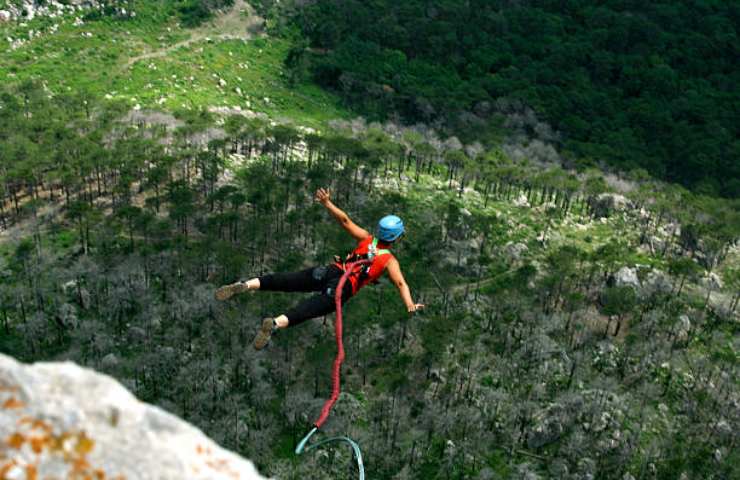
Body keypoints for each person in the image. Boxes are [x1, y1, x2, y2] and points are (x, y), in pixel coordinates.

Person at [215, 187, 424, 349]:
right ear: (397, 237)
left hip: (331, 270)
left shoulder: (367, 239)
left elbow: (345, 220)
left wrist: (327, 203)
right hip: (343, 287)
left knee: (288, 280)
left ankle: (247, 284)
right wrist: (410, 304)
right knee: (309, 309)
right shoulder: (389, 260)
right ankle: (275, 323)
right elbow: (400, 283)